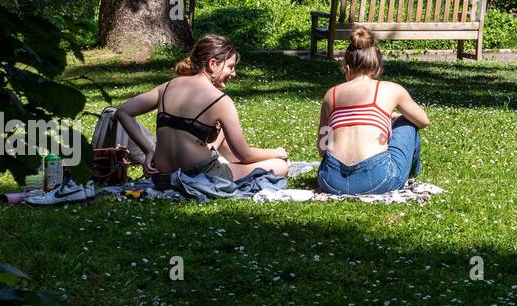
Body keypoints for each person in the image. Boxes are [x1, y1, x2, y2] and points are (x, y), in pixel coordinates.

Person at [115, 35, 290, 188]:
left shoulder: (168, 86)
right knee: (280, 166)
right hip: (200, 176)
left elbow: (123, 111)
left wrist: (149, 151)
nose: (234, 73)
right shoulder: (220, 100)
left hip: (161, 175)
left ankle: (224, 160)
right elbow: (244, 154)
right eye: (230, 67)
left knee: (218, 129)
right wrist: (276, 152)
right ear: (213, 64)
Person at [316, 26, 430, 195]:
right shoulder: (391, 89)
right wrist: (393, 119)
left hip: (331, 181)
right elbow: (423, 120)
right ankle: (412, 172)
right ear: (377, 70)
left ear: (347, 69)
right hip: (377, 179)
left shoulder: (330, 95)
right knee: (408, 122)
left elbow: (322, 147)